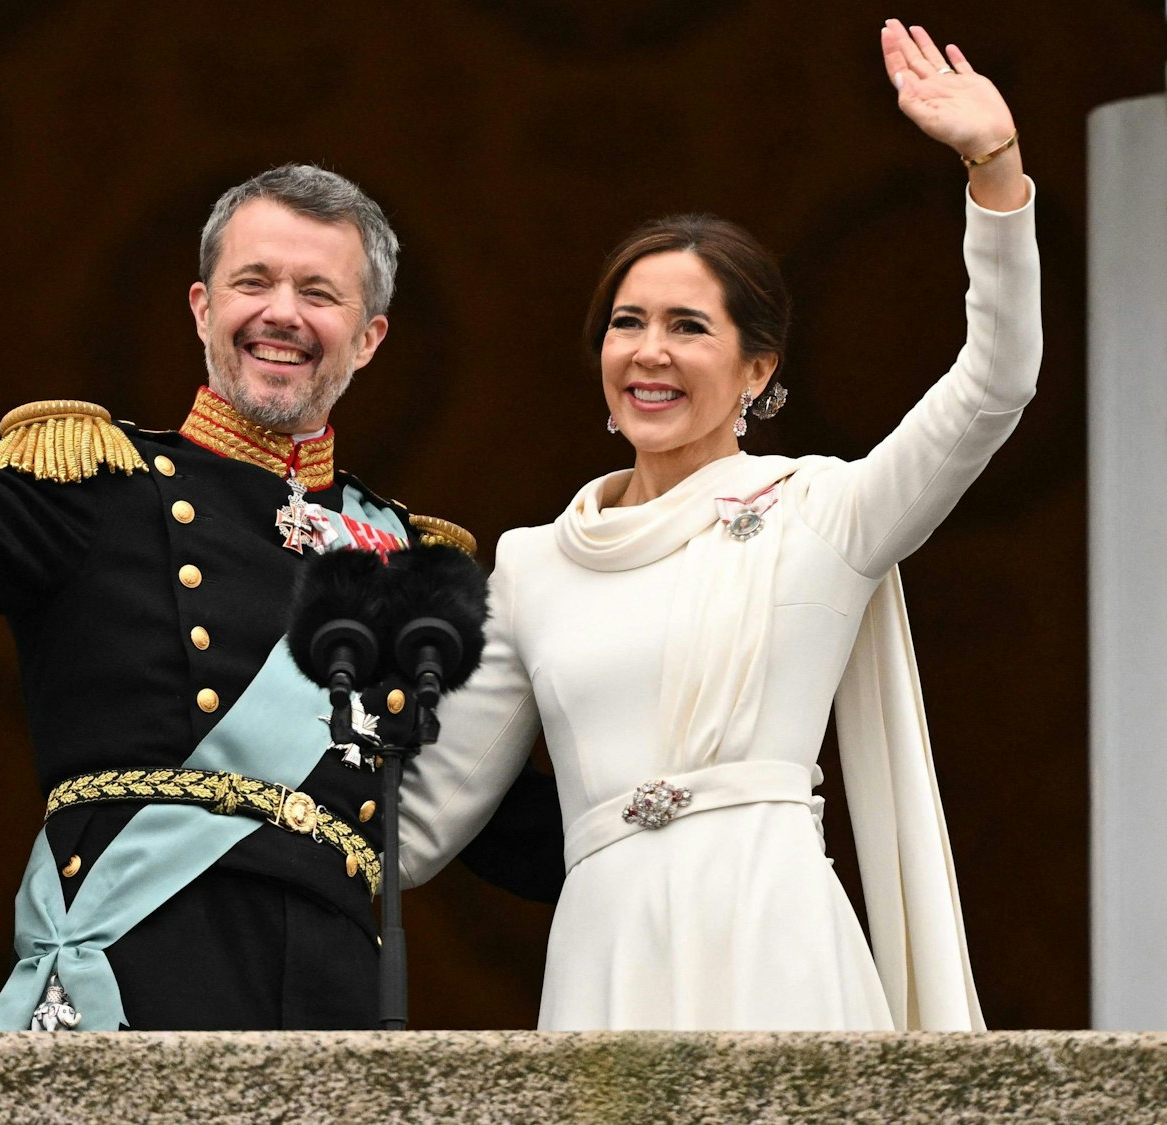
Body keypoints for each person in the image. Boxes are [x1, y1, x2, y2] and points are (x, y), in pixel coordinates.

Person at [0, 157, 563, 1030]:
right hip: (138, 973)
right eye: (252, 281)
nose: (281, 312)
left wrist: (707, 819)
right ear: (202, 308)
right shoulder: (98, 484)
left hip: (331, 1000)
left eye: (318, 292)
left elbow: (493, 815)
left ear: (368, 337)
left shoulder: (408, 563)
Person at [395, 20, 1038, 1031]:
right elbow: (419, 824)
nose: (648, 352)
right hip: (605, 955)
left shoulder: (822, 512)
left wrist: (991, 172)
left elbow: (993, 386)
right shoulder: (530, 564)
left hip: (771, 934)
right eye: (626, 322)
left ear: (756, 369)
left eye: (687, 327)